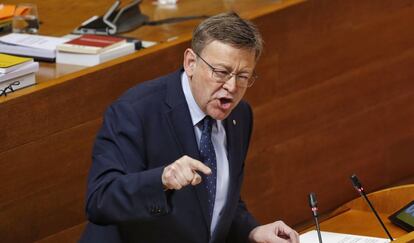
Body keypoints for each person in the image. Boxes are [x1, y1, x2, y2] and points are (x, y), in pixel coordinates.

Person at [80, 12, 300, 243]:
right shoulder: (135, 112)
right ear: (190, 63)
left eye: (243, 76)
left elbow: (217, 203)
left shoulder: (240, 116)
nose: (232, 87)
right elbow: (100, 200)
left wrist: (252, 231)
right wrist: (161, 179)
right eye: (221, 73)